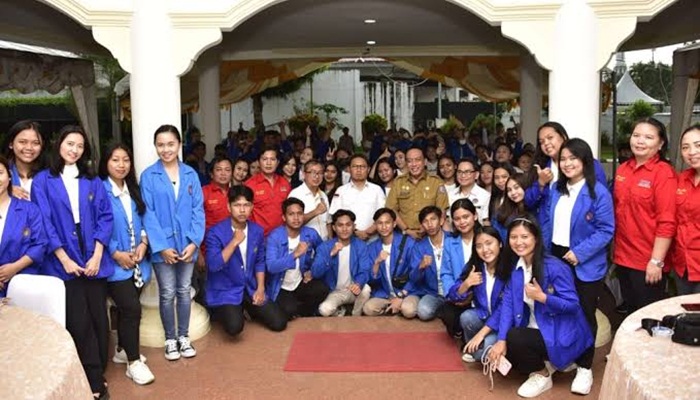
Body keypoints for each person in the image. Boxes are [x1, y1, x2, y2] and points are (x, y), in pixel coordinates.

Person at [32, 125, 114, 399]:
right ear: (59, 145)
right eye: (70, 144)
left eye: (79, 146)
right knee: (79, 320)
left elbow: (105, 217)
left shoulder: (92, 181)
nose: (74, 150)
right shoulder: (43, 180)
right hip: (61, 256)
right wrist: (64, 258)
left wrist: (98, 254)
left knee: (99, 317)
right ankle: (93, 380)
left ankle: (99, 365)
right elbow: (44, 221)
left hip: (92, 251)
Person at [487, 218, 593, 398]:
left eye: (524, 236)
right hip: (538, 328)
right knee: (504, 343)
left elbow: (573, 305)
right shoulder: (517, 268)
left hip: (561, 332)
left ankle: (545, 373)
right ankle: (548, 365)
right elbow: (508, 304)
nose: (519, 242)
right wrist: (501, 339)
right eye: (513, 237)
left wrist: (543, 298)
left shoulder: (555, 266)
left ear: (536, 238)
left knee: (515, 338)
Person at [542, 138, 614, 394]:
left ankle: (585, 368)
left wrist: (580, 253)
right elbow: (548, 224)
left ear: (585, 161)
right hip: (557, 258)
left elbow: (607, 230)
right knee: (561, 309)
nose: (568, 163)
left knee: (584, 313)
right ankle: (567, 356)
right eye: (563, 159)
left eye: (573, 158)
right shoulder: (556, 190)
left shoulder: (598, 192)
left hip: (584, 262)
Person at [141, 124, 204, 361]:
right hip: (163, 247)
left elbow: (198, 209)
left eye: (170, 144)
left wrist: (194, 242)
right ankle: (170, 339)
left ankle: (184, 337)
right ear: (155, 146)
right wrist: (161, 247)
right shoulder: (149, 175)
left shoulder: (190, 174)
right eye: (160, 144)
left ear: (179, 145)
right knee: (167, 293)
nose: (165, 149)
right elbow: (147, 213)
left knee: (184, 291)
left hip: (187, 244)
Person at [98, 144, 155, 385]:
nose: (121, 165)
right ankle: (133, 362)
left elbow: (143, 219)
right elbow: (95, 225)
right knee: (132, 309)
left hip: (138, 262)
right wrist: (114, 252)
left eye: (125, 160)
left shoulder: (133, 188)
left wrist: (143, 244)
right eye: (115, 160)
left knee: (126, 310)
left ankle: (122, 349)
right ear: (106, 163)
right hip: (114, 265)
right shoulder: (99, 190)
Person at [204, 185, 287, 336]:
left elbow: (260, 262)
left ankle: (248, 308)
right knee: (235, 328)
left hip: (250, 287)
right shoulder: (215, 232)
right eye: (237, 205)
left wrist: (260, 288)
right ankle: (231, 309)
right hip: (227, 289)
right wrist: (234, 242)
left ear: (252, 207)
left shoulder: (257, 230)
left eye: (246, 205)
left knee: (279, 323)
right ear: (229, 207)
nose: (242, 210)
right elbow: (213, 265)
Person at [613, 117, 676, 312]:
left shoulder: (663, 173)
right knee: (631, 313)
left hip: (648, 261)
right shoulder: (623, 169)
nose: (640, 141)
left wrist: (656, 262)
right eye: (636, 135)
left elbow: (667, 221)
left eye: (648, 137)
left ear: (660, 144)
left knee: (648, 317)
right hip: (623, 257)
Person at [526, 122, 607, 227]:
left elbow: (602, 199)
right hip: (549, 232)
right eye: (541, 142)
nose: (546, 143)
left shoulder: (589, 163)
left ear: (563, 137)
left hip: (582, 230)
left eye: (550, 138)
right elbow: (528, 201)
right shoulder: (540, 167)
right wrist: (540, 183)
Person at [449, 226, 506, 363]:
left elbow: (504, 309)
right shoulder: (475, 266)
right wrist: (466, 284)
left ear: (500, 243)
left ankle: (480, 346)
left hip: (504, 323)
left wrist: (480, 335)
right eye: (479, 246)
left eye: (489, 243)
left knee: (483, 355)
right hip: (484, 317)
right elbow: (453, 295)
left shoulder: (510, 269)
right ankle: (477, 345)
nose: (485, 250)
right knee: (467, 317)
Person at [266, 197, 329, 320]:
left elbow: (323, 252)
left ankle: (303, 310)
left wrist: (312, 270)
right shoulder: (274, 237)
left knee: (322, 289)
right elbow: (271, 267)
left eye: (299, 214)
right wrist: (295, 254)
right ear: (284, 217)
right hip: (281, 285)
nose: (296, 218)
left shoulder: (310, 233)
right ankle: (292, 307)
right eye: (291, 214)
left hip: (300, 281)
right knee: (289, 311)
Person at [0, 156, 46, 297]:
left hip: (23, 285)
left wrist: (14, 267)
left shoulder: (29, 210)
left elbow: (40, 244)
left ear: (9, 176)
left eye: (0, 173)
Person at [311, 209, 371, 317]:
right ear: (334, 227)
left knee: (366, 289)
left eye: (348, 225)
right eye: (340, 225)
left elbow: (365, 270)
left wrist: (358, 283)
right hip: (334, 292)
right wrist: (331, 255)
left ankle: (356, 315)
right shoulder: (325, 247)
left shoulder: (361, 246)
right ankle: (341, 312)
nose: (344, 229)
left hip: (353, 289)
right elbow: (315, 272)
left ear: (353, 226)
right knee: (324, 310)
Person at [385, 147, 449, 240]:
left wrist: (427, 227)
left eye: (417, 160)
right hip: (405, 236)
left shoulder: (436, 182)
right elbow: (391, 209)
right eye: (410, 161)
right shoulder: (398, 182)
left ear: (425, 162)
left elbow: (441, 210)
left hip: (431, 235)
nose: (414, 164)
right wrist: (406, 230)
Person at [362, 208, 416, 317]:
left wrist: (401, 296)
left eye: (387, 222)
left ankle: (398, 307)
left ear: (394, 224)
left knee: (408, 310)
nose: (384, 227)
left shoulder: (408, 243)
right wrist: (377, 262)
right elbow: (372, 280)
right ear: (375, 225)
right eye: (380, 223)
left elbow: (416, 275)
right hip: (385, 294)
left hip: (406, 292)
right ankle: (392, 308)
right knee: (368, 309)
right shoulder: (372, 247)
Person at [195, 156, 234, 305]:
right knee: (208, 291)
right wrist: (198, 253)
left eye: (227, 170)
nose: (223, 173)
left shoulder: (235, 193)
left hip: (232, 250)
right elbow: (195, 224)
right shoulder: (203, 193)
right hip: (208, 251)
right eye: (219, 170)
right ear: (211, 173)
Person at [441, 199, 480, 343]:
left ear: (475, 216)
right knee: (447, 314)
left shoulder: (484, 238)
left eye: (466, 217)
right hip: (458, 294)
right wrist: (454, 294)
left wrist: (472, 295)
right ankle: (460, 331)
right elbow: (446, 273)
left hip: (480, 297)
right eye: (457, 219)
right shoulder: (450, 242)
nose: (462, 222)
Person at [403, 206, 449, 321]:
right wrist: (420, 267)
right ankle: (443, 309)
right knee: (423, 312)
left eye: (433, 219)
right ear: (422, 226)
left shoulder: (453, 240)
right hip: (433, 292)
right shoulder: (419, 246)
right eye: (425, 221)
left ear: (441, 220)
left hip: (452, 291)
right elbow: (413, 278)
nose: (430, 224)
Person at [329, 154, 386, 241]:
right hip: (348, 240)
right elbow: (335, 216)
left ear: (368, 169)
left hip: (373, 239)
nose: (359, 170)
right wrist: (355, 231)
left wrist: (369, 232)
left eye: (362, 167)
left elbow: (383, 214)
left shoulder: (377, 190)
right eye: (355, 166)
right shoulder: (341, 191)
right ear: (349, 169)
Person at [673, 125, 700, 294]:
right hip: (683, 266)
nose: (691, 152)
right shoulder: (682, 179)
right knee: (685, 317)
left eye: (698, 145)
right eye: (685, 147)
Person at [244, 146, 291, 236]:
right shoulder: (249, 184)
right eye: (265, 159)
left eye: (272, 159)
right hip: (259, 237)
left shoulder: (285, 183)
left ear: (277, 163)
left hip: (282, 236)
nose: (268, 163)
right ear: (259, 162)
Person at [1, 120, 45, 199]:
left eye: (36, 143)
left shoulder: (51, 174)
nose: (29, 148)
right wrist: (7, 190)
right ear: (11, 144)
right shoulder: (3, 172)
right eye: (22, 142)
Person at [288, 160, 331, 240]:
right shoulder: (296, 194)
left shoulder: (323, 195)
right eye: (312, 172)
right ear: (304, 174)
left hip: (324, 244)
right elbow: (292, 222)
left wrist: (330, 242)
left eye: (320, 173)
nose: (317, 176)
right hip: (305, 243)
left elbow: (328, 222)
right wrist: (315, 212)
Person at [448, 158, 491, 225]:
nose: (463, 175)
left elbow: (486, 221)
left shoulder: (485, 196)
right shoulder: (450, 195)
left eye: (467, 172)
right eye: (459, 172)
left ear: (476, 175)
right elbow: (448, 220)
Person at [493, 173, 531, 241]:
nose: (513, 193)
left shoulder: (534, 210)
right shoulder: (501, 212)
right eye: (509, 190)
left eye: (516, 188)